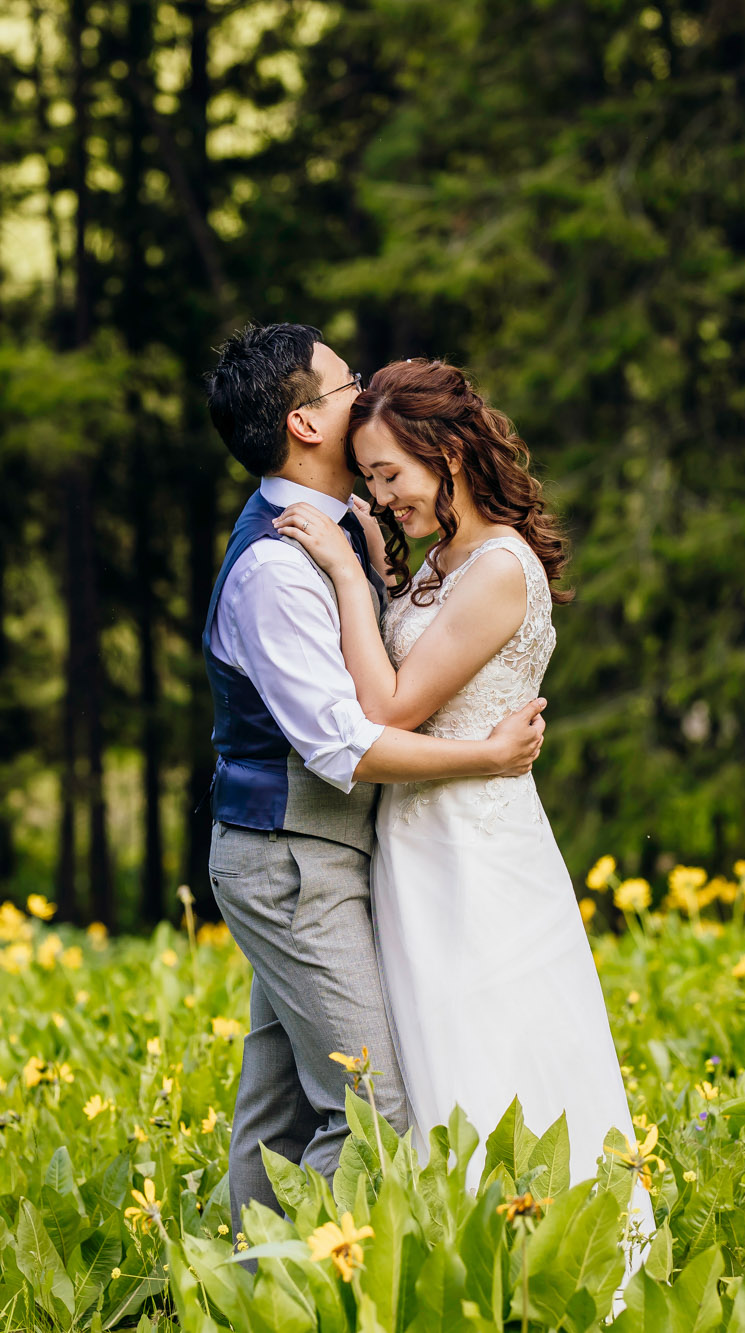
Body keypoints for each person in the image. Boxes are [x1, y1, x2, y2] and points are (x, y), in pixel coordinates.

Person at [273, 358, 646, 1229]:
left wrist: (340, 570)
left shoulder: (501, 570)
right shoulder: (445, 560)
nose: (380, 493)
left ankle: (548, 1248)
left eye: (389, 474)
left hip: (475, 850)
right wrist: (376, 564)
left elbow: (388, 705)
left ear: (446, 454)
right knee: (429, 1047)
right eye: (367, 477)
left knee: (490, 1040)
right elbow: (411, 656)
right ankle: (458, 1254)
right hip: (417, 839)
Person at [199, 324, 550, 1242]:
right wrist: (484, 756)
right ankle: (305, 1291)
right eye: (348, 382)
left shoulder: (347, 531)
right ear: (306, 421)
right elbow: (347, 745)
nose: (365, 392)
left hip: (320, 858)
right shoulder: (276, 566)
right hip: (292, 863)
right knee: (370, 1110)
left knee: (279, 1110)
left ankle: (246, 1293)